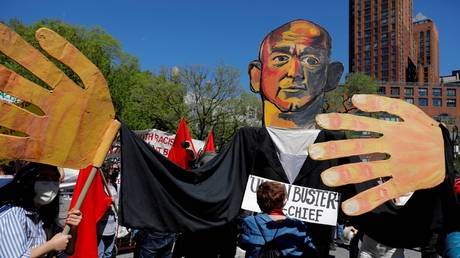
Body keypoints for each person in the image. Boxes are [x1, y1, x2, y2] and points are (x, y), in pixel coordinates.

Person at [119, 19, 460, 257]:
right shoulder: (245, 143)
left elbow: (392, 228)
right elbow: (191, 197)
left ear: (330, 75)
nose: (294, 73)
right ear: (257, 75)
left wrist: (436, 169)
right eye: (281, 58)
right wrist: (117, 135)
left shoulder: (337, 149)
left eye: (311, 60)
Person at [0, 162, 82, 258]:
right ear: (29, 180)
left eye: (55, 179)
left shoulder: (42, 214)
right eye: (44, 178)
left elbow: (65, 252)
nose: (51, 184)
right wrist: (50, 246)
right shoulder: (12, 215)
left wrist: (72, 228)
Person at [239, 181, 316, 257]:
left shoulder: (250, 222)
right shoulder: (297, 225)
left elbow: (242, 245)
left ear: (258, 201)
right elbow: (310, 250)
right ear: (284, 202)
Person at [97, 163, 119, 258]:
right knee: (100, 253)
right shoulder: (101, 184)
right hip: (102, 226)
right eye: (112, 168)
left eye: (116, 169)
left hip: (112, 224)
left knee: (108, 253)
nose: (114, 171)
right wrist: (108, 200)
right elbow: (98, 200)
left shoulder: (114, 185)